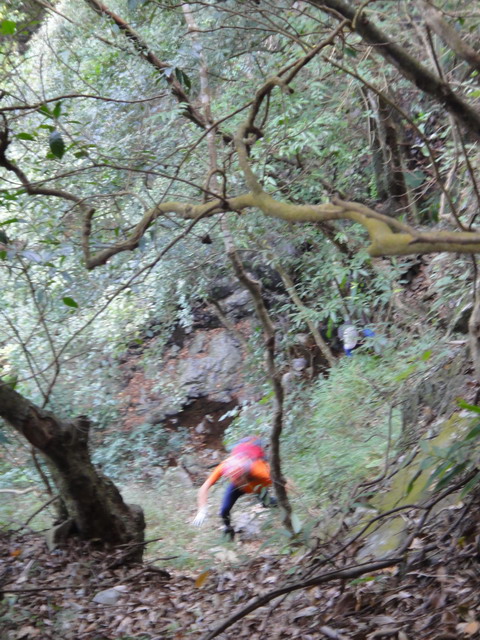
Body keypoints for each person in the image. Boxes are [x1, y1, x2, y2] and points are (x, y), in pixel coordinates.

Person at [192, 437, 276, 539]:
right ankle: (228, 530)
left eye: (238, 478)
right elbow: (204, 487)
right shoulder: (225, 466)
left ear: (244, 475)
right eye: (233, 477)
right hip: (237, 488)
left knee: (268, 503)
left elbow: (283, 482)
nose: (236, 480)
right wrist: (202, 510)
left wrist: (287, 499)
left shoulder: (259, 469)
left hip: (257, 486)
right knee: (224, 511)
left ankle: (279, 506)